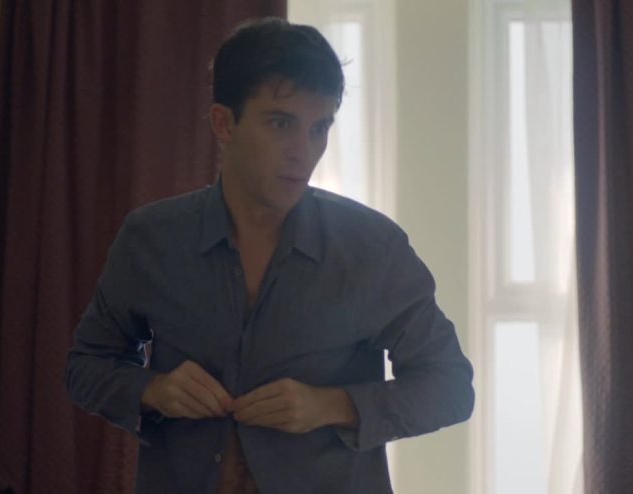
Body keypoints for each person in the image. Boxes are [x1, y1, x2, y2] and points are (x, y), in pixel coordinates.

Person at [65, 17, 474, 494]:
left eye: (319, 128)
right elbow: (84, 367)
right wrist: (152, 390)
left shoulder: (372, 248)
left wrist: (332, 405)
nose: (304, 152)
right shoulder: (150, 239)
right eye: (281, 124)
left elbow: (450, 388)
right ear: (224, 123)